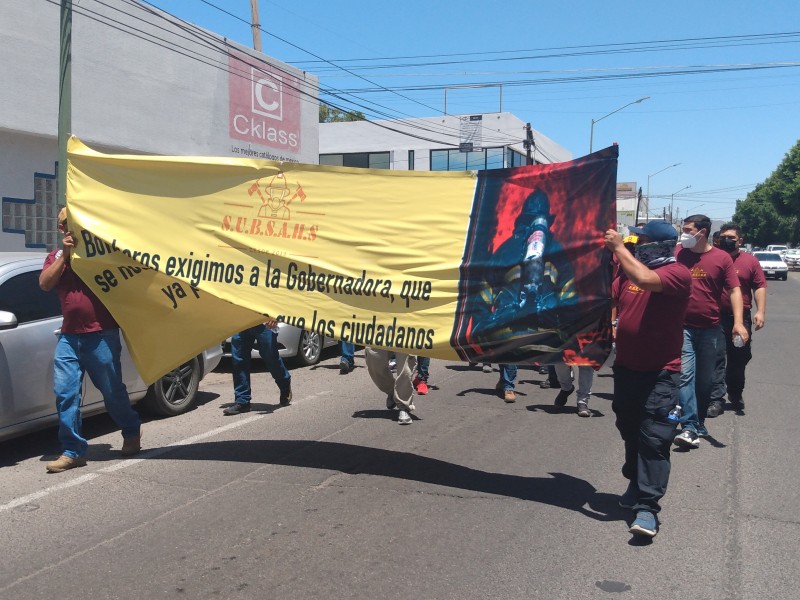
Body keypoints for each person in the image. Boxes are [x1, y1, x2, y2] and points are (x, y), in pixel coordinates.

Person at [605, 221, 692, 538]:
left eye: (640, 243)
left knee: (654, 439)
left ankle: (647, 508)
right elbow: (609, 296)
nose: (634, 247)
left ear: (660, 246)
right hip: (627, 369)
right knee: (629, 430)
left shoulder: (675, 274)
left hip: (660, 374)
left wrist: (618, 248)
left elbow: (643, 278)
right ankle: (634, 480)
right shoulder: (630, 273)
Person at [39, 208, 142, 473]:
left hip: (101, 334)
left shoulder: (101, 251)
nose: (68, 228)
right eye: (64, 224)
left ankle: (131, 431)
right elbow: (44, 284)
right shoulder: (57, 255)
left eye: (72, 223)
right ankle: (73, 451)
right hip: (69, 337)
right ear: (61, 228)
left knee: (111, 391)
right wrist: (66, 255)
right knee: (65, 394)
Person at [673, 215, 748, 449]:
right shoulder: (678, 254)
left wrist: (738, 322)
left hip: (710, 329)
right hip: (682, 327)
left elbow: (735, 290)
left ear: (702, 232)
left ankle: (699, 421)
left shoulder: (721, 258)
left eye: (687, 229)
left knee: (704, 380)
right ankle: (689, 426)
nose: (683, 233)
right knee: (685, 376)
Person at [708, 224, 767, 415]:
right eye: (723, 236)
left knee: (739, 358)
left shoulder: (750, 261)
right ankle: (716, 398)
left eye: (731, 237)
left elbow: (759, 286)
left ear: (739, 240)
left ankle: (735, 392)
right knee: (717, 357)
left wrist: (761, 311)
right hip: (715, 317)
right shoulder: (712, 259)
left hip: (741, 318)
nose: (726, 240)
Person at [223, 320, 292, 414]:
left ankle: (285, 384)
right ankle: (242, 401)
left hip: (265, 321)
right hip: (243, 321)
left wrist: (275, 316)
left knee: (270, 357)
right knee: (239, 360)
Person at [365, 348, 417, 424]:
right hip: (381, 336)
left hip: (406, 337)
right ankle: (392, 391)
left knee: (405, 369)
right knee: (373, 358)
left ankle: (403, 406)